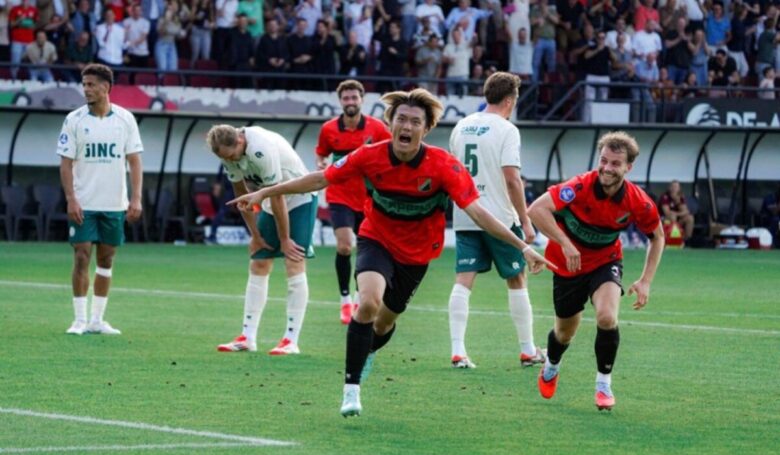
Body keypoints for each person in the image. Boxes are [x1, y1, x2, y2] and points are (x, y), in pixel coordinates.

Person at [229, 88, 553, 417]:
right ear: (390, 124)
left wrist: (524, 246)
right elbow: (319, 179)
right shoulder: (369, 155)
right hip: (377, 239)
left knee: (383, 325)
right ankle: (351, 389)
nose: (407, 126)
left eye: (415, 121)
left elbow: (480, 213)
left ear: (425, 130)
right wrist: (268, 191)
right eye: (401, 119)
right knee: (368, 302)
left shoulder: (444, 166)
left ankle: (365, 354)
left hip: (417, 255)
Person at [528, 131, 664, 411]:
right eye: (604, 160)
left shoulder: (638, 201)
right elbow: (536, 209)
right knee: (564, 333)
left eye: (616, 163)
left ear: (629, 167)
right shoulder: (578, 186)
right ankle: (552, 365)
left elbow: (658, 236)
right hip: (568, 265)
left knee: (606, 316)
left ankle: (604, 384)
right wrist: (565, 243)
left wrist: (646, 281)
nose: (607, 168)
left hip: (605, 261)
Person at [447, 72, 545, 369]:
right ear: (509, 100)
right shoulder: (507, 129)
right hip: (500, 217)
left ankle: (457, 350)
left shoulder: (461, 126)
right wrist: (526, 222)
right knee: (516, 278)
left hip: (466, 214)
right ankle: (527, 350)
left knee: (464, 281)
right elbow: (513, 179)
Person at [207, 124, 317, 356]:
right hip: (269, 198)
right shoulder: (228, 152)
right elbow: (241, 194)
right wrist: (255, 235)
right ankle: (247, 337)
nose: (230, 161)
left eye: (230, 156)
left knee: (293, 259)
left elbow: (277, 194)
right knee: (258, 260)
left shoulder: (261, 148)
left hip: (299, 198)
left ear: (239, 141)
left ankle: (290, 339)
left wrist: (285, 239)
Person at [57, 64, 144, 336]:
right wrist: (71, 199)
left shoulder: (125, 119)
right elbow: (65, 164)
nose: (86, 89)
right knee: (82, 257)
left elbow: (135, 161)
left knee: (106, 260)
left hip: (114, 204)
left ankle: (97, 319)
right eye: (84, 84)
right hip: (84, 203)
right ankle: (79, 320)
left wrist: (136, 198)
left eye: (91, 84)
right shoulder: (74, 120)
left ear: (106, 87)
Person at [315, 80, 392, 324]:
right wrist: (320, 163)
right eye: (346, 98)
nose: (350, 102)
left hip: (368, 197)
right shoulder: (329, 129)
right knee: (345, 246)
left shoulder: (377, 128)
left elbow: (390, 151)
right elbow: (321, 152)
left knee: (367, 249)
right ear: (340, 101)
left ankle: (361, 296)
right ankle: (345, 301)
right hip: (339, 195)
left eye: (354, 98)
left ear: (362, 99)